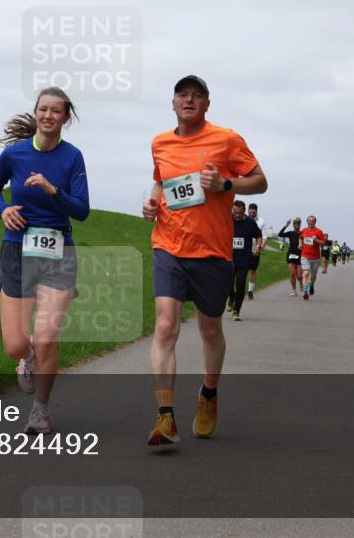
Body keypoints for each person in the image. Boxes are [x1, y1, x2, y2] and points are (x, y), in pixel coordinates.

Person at [141, 74, 267, 445]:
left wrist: (226, 185)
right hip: (168, 245)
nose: (189, 100)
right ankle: (165, 417)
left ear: (207, 104)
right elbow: (161, 182)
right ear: (174, 103)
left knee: (210, 329)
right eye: (183, 95)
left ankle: (209, 395)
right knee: (165, 326)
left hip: (212, 252)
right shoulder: (159, 142)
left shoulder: (226, 139)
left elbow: (259, 181)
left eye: (197, 96)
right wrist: (153, 202)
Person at [0, 87, 89, 435]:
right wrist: (4, 210)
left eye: (55, 111)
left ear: (65, 117)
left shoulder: (72, 157)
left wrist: (53, 191)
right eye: (42, 109)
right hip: (17, 250)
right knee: (16, 344)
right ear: (35, 113)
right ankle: (26, 358)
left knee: (46, 340)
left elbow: (82, 210)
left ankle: (41, 412)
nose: (48, 115)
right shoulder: (14, 155)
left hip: (58, 252)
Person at [228, 201, 263, 320]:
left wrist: (258, 246)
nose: (237, 215)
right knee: (227, 284)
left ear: (244, 211)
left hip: (244, 259)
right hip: (228, 258)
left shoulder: (250, 223)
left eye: (240, 213)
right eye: (235, 212)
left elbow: (259, 236)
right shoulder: (227, 219)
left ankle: (236, 311)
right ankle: (231, 297)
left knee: (240, 284)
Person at [300, 216, 326, 300]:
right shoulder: (304, 230)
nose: (310, 222)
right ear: (307, 222)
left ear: (315, 222)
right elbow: (300, 238)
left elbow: (323, 243)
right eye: (309, 221)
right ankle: (305, 292)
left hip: (315, 257)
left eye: (312, 221)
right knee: (306, 273)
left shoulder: (319, 231)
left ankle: (311, 285)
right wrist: (300, 244)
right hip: (305, 256)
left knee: (313, 276)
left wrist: (316, 240)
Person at [278, 217, 304, 296]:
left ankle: (300, 282)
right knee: (292, 273)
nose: (296, 225)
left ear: (300, 225)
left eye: (298, 224)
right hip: (291, 255)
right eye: (295, 224)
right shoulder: (290, 233)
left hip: (300, 256)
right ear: (293, 225)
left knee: (299, 275)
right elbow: (280, 234)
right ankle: (294, 290)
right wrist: (286, 226)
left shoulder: (303, 233)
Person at [245, 203, 266, 299]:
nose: (252, 214)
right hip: (245, 248)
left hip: (255, 248)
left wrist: (260, 247)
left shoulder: (261, 222)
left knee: (253, 270)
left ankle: (250, 291)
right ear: (247, 211)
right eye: (250, 212)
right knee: (242, 269)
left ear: (256, 212)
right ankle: (240, 288)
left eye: (253, 212)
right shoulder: (243, 219)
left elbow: (264, 236)